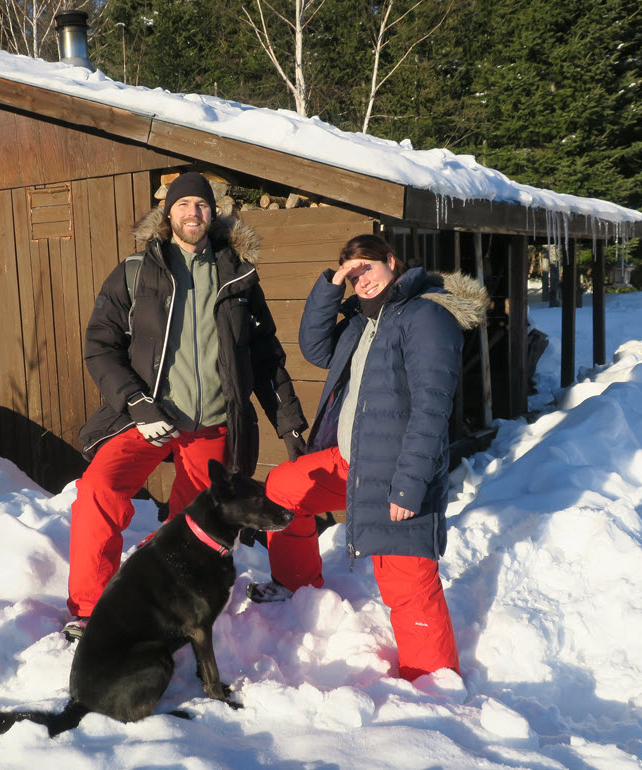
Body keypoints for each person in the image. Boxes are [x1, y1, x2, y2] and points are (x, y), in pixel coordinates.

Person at [64, 171, 308, 640]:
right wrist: (137, 403)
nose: (192, 213)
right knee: (98, 490)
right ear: (168, 214)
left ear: (212, 214)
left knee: (193, 522)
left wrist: (290, 424)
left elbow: (264, 356)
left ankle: (163, 601)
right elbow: (100, 346)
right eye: (183, 205)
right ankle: (91, 611)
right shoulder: (137, 271)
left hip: (214, 422)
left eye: (201, 205)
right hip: (148, 416)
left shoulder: (237, 275)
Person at [247, 234, 487, 680]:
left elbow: (432, 408)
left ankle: (433, 682)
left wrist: (410, 484)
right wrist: (329, 286)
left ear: (391, 262)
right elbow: (316, 349)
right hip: (346, 462)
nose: (362, 279)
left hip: (396, 471)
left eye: (368, 268)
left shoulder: (426, 316)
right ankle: (298, 589)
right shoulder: (363, 322)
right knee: (282, 489)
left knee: (406, 579)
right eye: (353, 273)